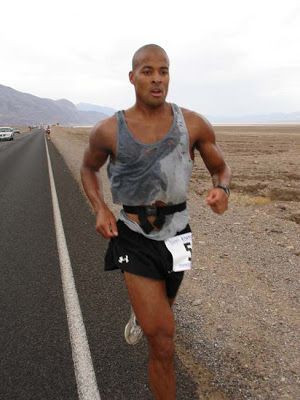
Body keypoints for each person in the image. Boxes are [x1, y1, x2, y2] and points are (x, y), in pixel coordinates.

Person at [80, 44, 231, 400]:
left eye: (163, 71)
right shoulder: (108, 130)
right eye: (148, 71)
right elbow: (88, 167)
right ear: (133, 78)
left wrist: (222, 189)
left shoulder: (193, 124)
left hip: (179, 235)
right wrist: (100, 207)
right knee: (162, 340)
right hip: (134, 235)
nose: (157, 79)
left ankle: (143, 313)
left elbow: (220, 168)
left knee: (163, 307)